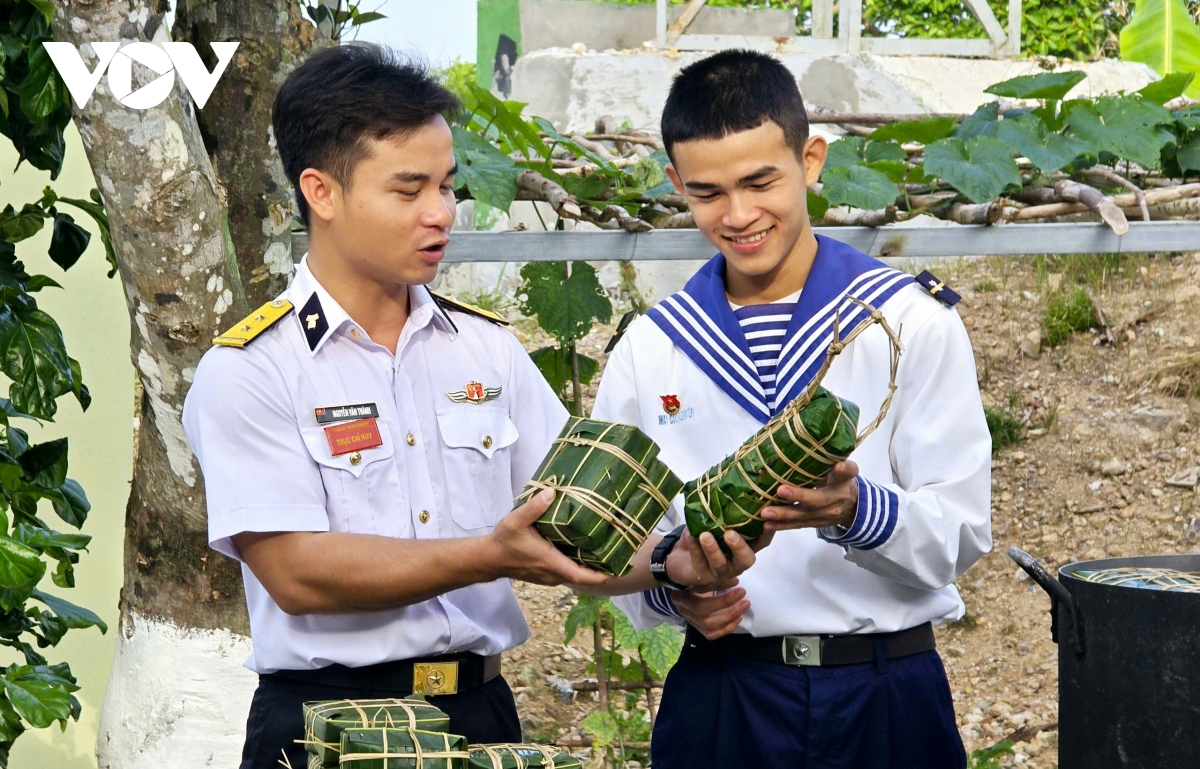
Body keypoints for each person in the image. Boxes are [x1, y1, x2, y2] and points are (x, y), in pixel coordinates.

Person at [182, 43, 747, 769]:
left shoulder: (487, 351)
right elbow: (296, 573)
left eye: (447, 187)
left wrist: (675, 562)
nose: (440, 213)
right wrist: (488, 555)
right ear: (321, 192)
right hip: (326, 728)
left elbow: (578, 524)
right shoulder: (253, 368)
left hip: (480, 719)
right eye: (408, 190)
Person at [594, 49, 992, 768]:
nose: (739, 214)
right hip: (723, 693)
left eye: (760, 181)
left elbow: (960, 534)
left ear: (810, 159)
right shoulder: (652, 348)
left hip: (884, 691)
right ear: (675, 182)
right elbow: (620, 539)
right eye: (708, 192)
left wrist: (855, 508)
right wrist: (675, 590)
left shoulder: (904, 322)